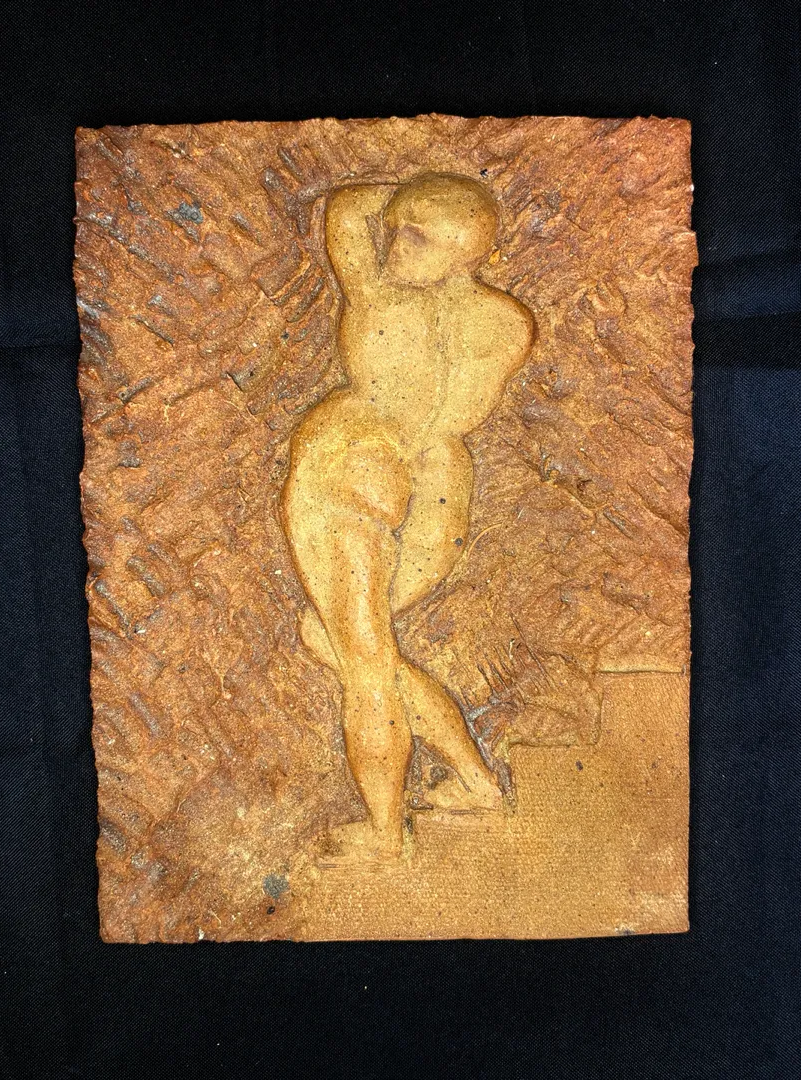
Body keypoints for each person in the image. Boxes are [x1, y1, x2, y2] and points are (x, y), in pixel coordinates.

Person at [281, 173, 534, 862]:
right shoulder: (507, 324)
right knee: (334, 637)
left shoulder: (377, 295)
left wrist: (416, 198)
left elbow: (345, 206)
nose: (394, 243)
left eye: (416, 236)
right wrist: (432, 210)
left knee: (364, 661)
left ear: (463, 248)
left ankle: (385, 833)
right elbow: (450, 414)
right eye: (395, 227)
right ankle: (478, 782)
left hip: (353, 470)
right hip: (441, 489)